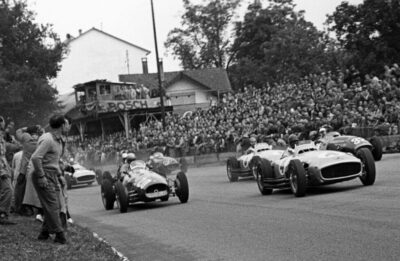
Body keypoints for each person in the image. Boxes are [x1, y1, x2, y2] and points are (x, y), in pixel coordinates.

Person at [31, 114, 70, 244]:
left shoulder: (59, 140)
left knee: (55, 205)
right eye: (68, 124)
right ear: (62, 125)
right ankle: (59, 234)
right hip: (43, 175)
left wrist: (59, 175)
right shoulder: (48, 139)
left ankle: (44, 232)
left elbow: (55, 161)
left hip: (53, 174)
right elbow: (36, 158)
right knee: (52, 205)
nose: (69, 126)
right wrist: (41, 176)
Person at [14, 125, 42, 216]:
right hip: (35, 169)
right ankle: (35, 209)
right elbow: (44, 132)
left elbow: (18, 131)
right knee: (34, 190)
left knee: (20, 189)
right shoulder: (40, 141)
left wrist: (26, 128)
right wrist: (40, 129)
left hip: (24, 170)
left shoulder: (26, 138)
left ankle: (20, 208)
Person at [0, 116, 16, 225]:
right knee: (8, 190)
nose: (4, 124)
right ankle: (2, 214)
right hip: (1, 168)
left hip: (4, 166)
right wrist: (2, 171)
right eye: (3, 122)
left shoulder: (1, 136)